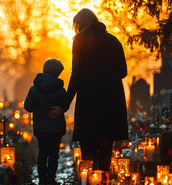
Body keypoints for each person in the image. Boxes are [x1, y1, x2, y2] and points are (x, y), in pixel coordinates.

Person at [47, 8, 128, 171]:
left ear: (81, 25)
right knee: (106, 144)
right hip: (111, 98)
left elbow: (76, 75)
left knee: (88, 146)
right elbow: (123, 72)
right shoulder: (113, 41)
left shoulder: (80, 41)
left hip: (89, 99)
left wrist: (64, 105)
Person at [24, 58, 66, 185]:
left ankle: (42, 181)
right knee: (54, 154)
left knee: (42, 153)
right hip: (56, 127)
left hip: (41, 127)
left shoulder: (34, 89)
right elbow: (65, 105)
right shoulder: (61, 90)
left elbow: (28, 107)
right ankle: (51, 180)